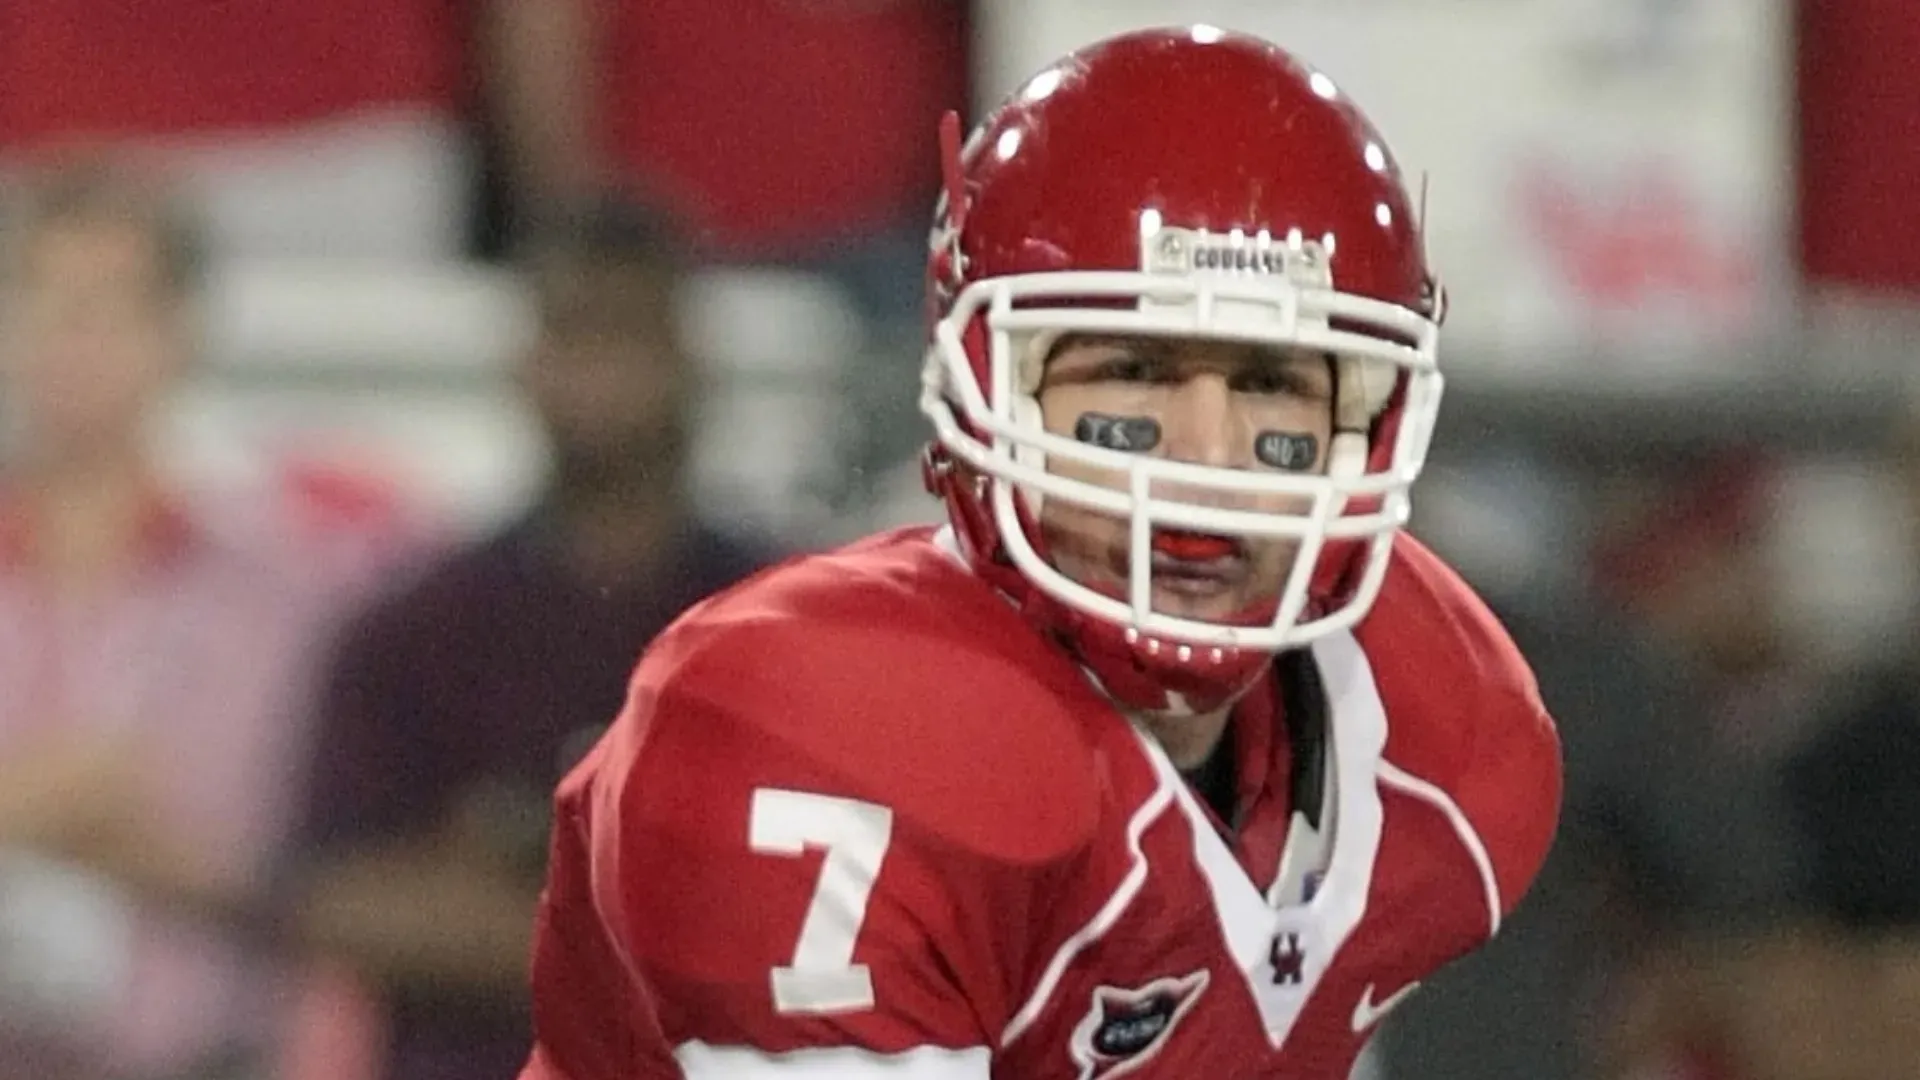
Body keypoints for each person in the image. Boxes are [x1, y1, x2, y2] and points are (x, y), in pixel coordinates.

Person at [519, 27, 1564, 1080]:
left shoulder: (1438, 730)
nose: (1207, 459)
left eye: (1270, 384)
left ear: (1368, 415)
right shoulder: (821, 732)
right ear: (987, 383)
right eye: (1134, 370)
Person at [291, 199, 774, 1079]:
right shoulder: (414, 629)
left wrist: (512, 873)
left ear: (690, 360)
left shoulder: (785, 621)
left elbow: (829, 908)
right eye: (572, 335)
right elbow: (333, 901)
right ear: (524, 364)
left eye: (628, 335)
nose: (600, 374)